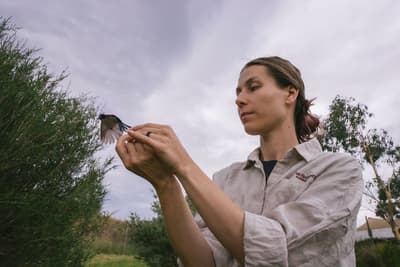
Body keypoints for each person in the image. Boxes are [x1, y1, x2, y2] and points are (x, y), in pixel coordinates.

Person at [115, 56, 363, 267]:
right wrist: (165, 184)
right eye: (238, 92)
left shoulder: (339, 170)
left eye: (252, 87)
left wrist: (185, 165)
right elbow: (204, 261)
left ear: (290, 93)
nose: (239, 99)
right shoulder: (225, 179)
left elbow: (275, 249)